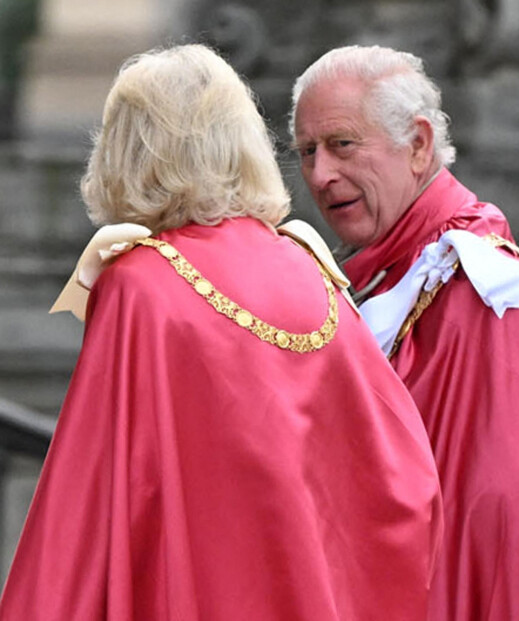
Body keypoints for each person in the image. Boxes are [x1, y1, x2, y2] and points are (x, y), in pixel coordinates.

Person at [0, 44, 442, 620]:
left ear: (130, 150)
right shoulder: (306, 265)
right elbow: (402, 479)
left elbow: (89, 490)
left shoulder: (139, 280)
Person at [290, 45, 519, 620]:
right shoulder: (383, 269)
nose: (321, 174)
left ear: (418, 145)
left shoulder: (483, 285)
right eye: (306, 151)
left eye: (343, 144)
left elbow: (502, 523)